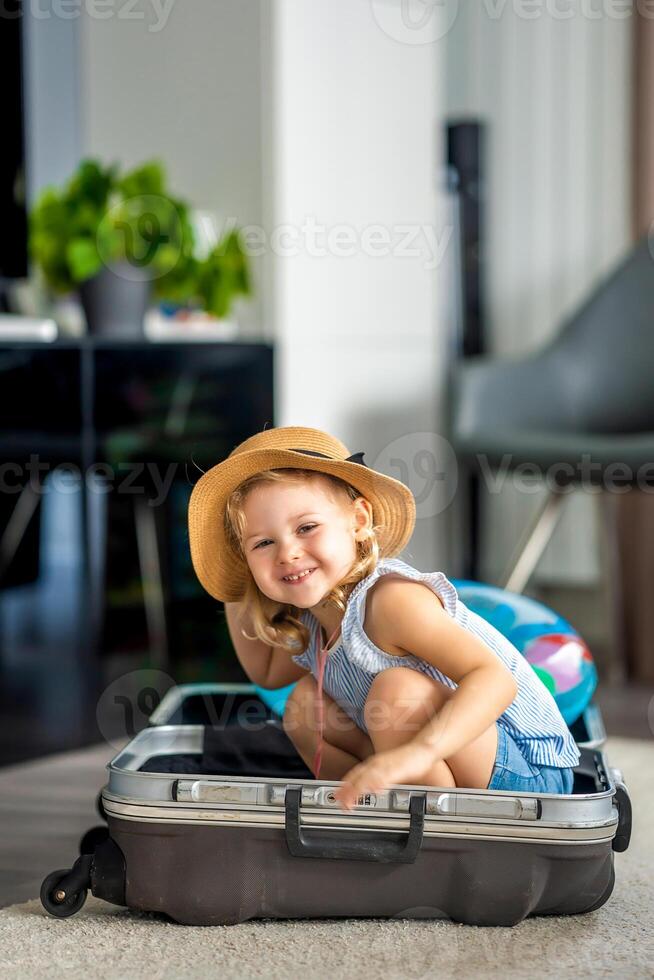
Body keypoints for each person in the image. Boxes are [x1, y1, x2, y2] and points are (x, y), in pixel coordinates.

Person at [188, 425, 579, 812]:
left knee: (396, 691)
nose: (287, 553)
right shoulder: (313, 618)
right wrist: (237, 577)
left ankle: (438, 836)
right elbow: (268, 674)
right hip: (433, 757)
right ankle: (359, 809)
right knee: (305, 705)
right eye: (263, 543)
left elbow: (494, 680)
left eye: (307, 527)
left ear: (358, 522)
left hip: (528, 773)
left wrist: (419, 753)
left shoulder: (390, 602)